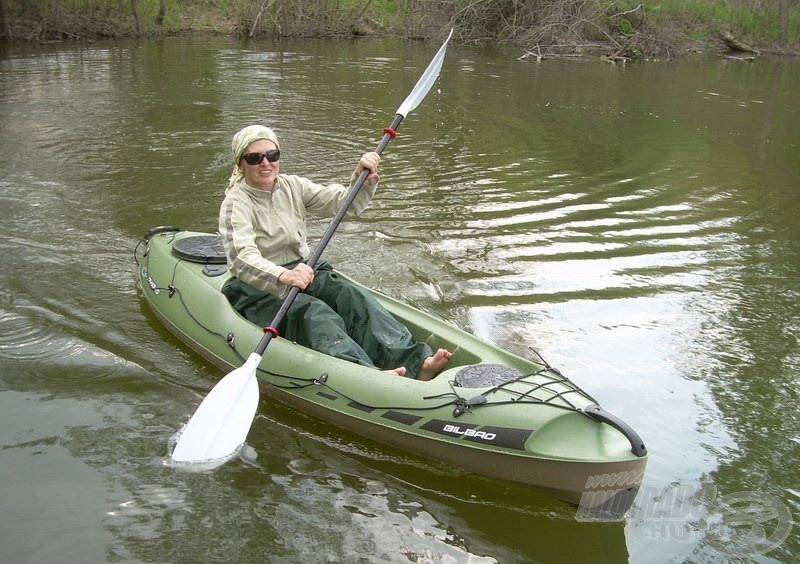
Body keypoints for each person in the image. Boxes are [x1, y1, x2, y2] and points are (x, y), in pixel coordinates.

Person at [218, 125, 451, 380]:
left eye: (272, 155)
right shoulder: (236, 202)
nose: (266, 163)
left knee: (351, 296)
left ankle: (415, 363)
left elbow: (342, 203)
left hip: (303, 269)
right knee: (313, 312)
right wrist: (282, 277)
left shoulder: (293, 186)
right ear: (240, 163)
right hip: (258, 286)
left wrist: (361, 180)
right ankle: (366, 375)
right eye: (255, 158)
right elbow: (241, 257)